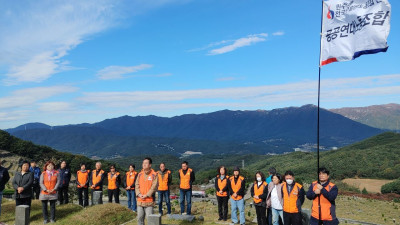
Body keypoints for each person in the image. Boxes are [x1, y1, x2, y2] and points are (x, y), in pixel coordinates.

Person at [135, 157, 158, 225]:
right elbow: (136, 185)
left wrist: (147, 195)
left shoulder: (154, 174)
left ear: (150, 165)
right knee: (139, 218)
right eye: (143, 163)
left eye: (146, 163)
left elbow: (154, 187)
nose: (144, 164)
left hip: (149, 201)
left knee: (150, 219)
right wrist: (139, 194)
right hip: (140, 200)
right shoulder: (140, 174)